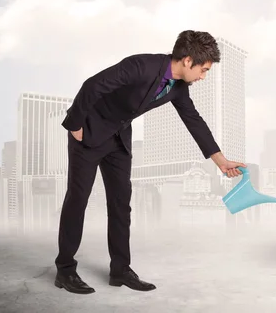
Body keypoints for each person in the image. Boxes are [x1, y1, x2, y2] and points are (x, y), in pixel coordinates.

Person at [54, 30, 247, 294]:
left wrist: (220, 160)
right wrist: (74, 125)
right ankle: (65, 270)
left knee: (121, 204)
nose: (203, 77)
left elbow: (194, 120)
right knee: (78, 200)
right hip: (89, 132)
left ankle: (120, 270)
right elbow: (92, 85)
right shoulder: (141, 65)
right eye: (203, 70)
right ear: (188, 60)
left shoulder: (178, 88)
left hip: (119, 139)